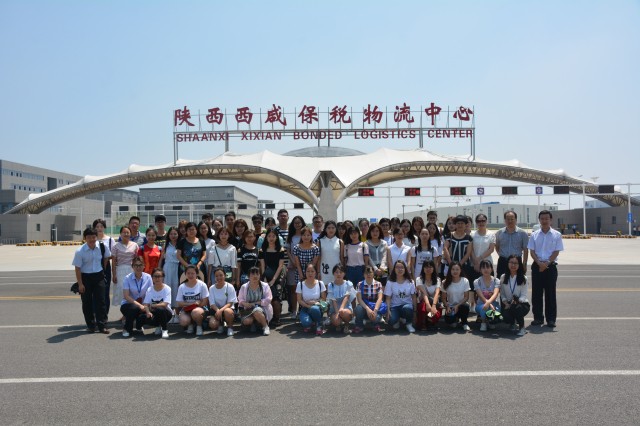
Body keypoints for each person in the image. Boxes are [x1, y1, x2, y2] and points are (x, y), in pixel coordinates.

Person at [528, 210, 564, 328]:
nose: (544, 221)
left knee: (550, 294)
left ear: (551, 220)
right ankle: (538, 318)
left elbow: (556, 251)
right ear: (539, 220)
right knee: (536, 294)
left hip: (550, 267)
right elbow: (532, 251)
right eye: (542, 219)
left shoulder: (556, 235)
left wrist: (547, 263)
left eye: (546, 219)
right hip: (537, 266)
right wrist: (539, 263)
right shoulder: (534, 234)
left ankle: (551, 319)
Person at [72, 228, 111, 334]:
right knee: (87, 302)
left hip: (99, 276)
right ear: (85, 238)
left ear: (96, 237)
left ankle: (102, 325)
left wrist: (103, 268)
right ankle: (91, 325)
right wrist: (80, 284)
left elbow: (106, 257)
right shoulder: (80, 251)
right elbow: (77, 268)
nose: (91, 239)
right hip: (86, 278)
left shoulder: (102, 246)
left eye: (93, 237)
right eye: (89, 237)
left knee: (101, 301)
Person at [119, 256, 153, 337]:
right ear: (132, 267)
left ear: (144, 266)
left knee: (149, 313)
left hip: (144, 305)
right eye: (136, 265)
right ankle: (127, 328)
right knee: (134, 308)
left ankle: (139, 326)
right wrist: (140, 305)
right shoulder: (127, 278)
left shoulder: (148, 277)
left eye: (140, 265)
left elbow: (150, 293)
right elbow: (126, 296)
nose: (138, 267)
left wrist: (145, 306)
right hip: (128, 305)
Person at [259, 228, 285, 327]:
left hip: (278, 274)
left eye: (273, 236)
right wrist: (264, 278)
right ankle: (267, 318)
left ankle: (277, 318)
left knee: (276, 296)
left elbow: (280, 266)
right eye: (269, 236)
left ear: (277, 237)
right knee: (266, 296)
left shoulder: (280, 249)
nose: (271, 238)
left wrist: (274, 279)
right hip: (266, 274)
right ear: (266, 238)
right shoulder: (262, 250)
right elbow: (262, 266)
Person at [292, 226, 320, 315]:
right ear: (301, 236)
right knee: (301, 292)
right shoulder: (296, 247)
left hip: (311, 273)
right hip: (299, 272)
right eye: (304, 235)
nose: (306, 237)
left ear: (311, 236)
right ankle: (301, 311)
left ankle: (312, 310)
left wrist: (310, 274)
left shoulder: (315, 248)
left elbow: (314, 264)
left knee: (310, 292)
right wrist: (301, 274)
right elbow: (297, 263)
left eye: (308, 235)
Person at [238, 266, 273, 336]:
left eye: (257, 274)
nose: (255, 276)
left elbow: (268, 299)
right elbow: (240, 299)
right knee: (247, 321)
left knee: (256, 311)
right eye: (253, 274)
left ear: (260, 275)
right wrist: (244, 304)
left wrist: (255, 303)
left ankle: (265, 327)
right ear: (248, 276)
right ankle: (254, 324)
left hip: (262, 308)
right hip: (248, 309)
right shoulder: (244, 287)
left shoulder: (265, 286)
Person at [500, 255, 530, 336]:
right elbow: (502, 293)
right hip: (508, 303)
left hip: (522, 304)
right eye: (511, 262)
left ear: (519, 265)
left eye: (516, 263)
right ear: (508, 263)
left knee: (517, 308)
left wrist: (517, 301)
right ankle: (512, 323)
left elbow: (524, 295)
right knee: (505, 316)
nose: (513, 265)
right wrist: (505, 302)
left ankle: (522, 328)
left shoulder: (523, 278)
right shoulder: (503, 277)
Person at [494, 210, 529, 279]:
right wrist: (502, 255)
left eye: (512, 219)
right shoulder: (499, 233)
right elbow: (497, 246)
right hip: (503, 261)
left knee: (518, 282)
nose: (510, 221)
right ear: (505, 220)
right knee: (501, 282)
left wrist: (524, 263)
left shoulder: (522, 233)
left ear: (516, 220)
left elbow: (526, 249)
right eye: (508, 219)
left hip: (517, 262)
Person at [176, 265, 209, 336]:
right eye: (188, 273)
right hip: (186, 309)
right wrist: (192, 304)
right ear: (185, 274)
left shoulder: (202, 285)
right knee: (183, 321)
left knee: (196, 312)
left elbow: (205, 302)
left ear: (197, 274)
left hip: (200, 308)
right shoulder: (181, 286)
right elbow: (179, 303)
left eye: (192, 273)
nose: (190, 275)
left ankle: (199, 326)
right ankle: (190, 324)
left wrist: (198, 305)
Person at [384, 260, 416, 333]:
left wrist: (415, 312)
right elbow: (388, 298)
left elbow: (414, 297)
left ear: (405, 269)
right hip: (395, 307)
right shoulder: (390, 282)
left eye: (402, 267)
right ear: (394, 269)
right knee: (391, 321)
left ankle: (408, 324)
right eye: (397, 267)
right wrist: (388, 310)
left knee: (407, 308)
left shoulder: (410, 282)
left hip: (407, 306)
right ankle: (398, 319)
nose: (400, 269)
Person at [111, 226, 138, 310]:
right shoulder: (116, 246)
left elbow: (136, 260)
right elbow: (113, 262)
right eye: (124, 232)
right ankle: (124, 312)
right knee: (122, 292)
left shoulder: (135, 245)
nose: (126, 234)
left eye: (127, 232)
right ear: (120, 234)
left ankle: (130, 313)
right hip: (120, 271)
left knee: (132, 291)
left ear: (130, 234)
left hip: (131, 270)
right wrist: (114, 275)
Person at [296, 264, 327, 335]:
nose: (310, 273)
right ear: (305, 272)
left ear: (315, 272)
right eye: (308, 271)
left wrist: (315, 302)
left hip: (317, 308)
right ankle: (311, 322)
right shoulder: (300, 284)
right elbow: (299, 300)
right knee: (306, 323)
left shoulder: (320, 283)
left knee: (314, 309)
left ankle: (319, 325)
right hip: (305, 308)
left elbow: (324, 298)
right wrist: (308, 306)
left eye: (312, 271)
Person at [353, 265, 385, 333]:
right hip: (364, 307)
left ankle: (375, 324)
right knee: (358, 309)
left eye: (370, 272)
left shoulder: (378, 284)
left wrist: (375, 310)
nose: (368, 274)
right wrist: (368, 309)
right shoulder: (360, 284)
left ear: (373, 273)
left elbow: (380, 298)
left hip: (375, 307)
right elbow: (359, 300)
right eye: (366, 273)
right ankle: (359, 325)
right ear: (363, 274)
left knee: (376, 317)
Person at [143, 268, 173, 339]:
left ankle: (164, 330)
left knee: (160, 309)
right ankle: (158, 326)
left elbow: (165, 304)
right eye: (155, 276)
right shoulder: (149, 289)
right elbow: (146, 304)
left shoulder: (167, 288)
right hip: (154, 312)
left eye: (159, 276)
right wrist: (148, 312)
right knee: (143, 317)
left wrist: (153, 305)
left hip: (166, 313)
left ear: (163, 277)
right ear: (152, 278)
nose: (157, 278)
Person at [93, 218, 114, 317]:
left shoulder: (110, 240)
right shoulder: (92, 239)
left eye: (101, 226)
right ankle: (95, 314)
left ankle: (104, 314)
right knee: (95, 292)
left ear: (104, 227)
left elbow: (113, 254)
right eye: (97, 227)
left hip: (105, 267)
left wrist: (106, 258)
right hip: (94, 267)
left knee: (105, 292)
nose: (99, 228)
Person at [208, 267, 238, 337]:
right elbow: (212, 304)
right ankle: (220, 325)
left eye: (221, 275)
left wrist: (221, 310)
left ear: (225, 275)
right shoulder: (211, 288)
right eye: (216, 276)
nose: (219, 277)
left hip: (227, 309)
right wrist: (217, 310)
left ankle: (230, 327)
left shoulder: (230, 286)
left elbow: (230, 303)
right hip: (216, 310)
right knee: (212, 324)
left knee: (227, 311)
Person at [442, 261, 471, 331]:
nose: (455, 271)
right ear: (450, 270)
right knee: (450, 322)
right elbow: (443, 298)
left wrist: (457, 305)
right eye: (453, 269)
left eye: (457, 269)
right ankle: (455, 319)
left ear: (460, 270)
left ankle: (464, 323)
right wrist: (447, 306)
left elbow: (466, 297)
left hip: (461, 305)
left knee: (466, 306)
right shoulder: (445, 282)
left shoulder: (465, 281)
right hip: (451, 307)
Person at [473, 260, 501, 332]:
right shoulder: (477, 281)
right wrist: (488, 303)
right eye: (483, 268)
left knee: (497, 310)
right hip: (481, 304)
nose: (486, 269)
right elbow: (480, 295)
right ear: (480, 270)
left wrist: (489, 303)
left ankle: (491, 321)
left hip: (494, 304)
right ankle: (483, 322)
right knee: (484, 307)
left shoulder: (496, 280)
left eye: (488, 267)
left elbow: (495, 294)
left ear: (491, 269)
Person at [327, 264, 355, 334]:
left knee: (345, 313)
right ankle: (338, 325)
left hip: (346, 307)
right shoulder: (330, 285)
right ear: (333, 273)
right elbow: (333, 300)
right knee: (336, 321)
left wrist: (341, 309)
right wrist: (337, 313)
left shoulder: (348, 283)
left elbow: (347, 297)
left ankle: (346, 325)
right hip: (334, 308)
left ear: (344, 273)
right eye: (336, 272)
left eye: (341, 272)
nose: (338, 274)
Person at [316, 220, 344, 291]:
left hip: (337, 271)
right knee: (325, 291)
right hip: (324, 271)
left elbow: (341, 258)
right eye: (328, 228)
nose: (331, 230)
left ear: (336, 229)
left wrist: (343, 271)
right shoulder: (320, 241)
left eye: (333, 228)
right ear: (325, 229)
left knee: (337, 290)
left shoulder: (340, 242)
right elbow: (319, 258)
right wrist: (318, 272)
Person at [160, 226, 181, 323]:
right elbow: (161, 258)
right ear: (168, 235)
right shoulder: (166, 245)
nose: (173, 236)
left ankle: (177, 314)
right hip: (167, 268)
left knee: (176, 289)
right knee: (167, 289)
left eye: (175, 234)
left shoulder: (180, 244)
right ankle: (169, 313)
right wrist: (159, 269)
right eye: (171, 234)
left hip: (177, 268)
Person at [415, 260, 442, 331]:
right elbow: (424, 293)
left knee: (437, 310)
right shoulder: (419, 279)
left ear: (433, 268)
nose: (428, 269)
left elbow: (437, 293)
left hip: (434, 302)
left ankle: (429, 320)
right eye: (426, 267)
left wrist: (433, 305)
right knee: (423, 307)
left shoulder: (437, 279)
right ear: (423, 268)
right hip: (423, 301)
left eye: (430, 267)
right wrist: (428, 304)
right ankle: (423, 323)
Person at [471, 214, 495, 285]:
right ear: (476, 222)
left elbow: (491, 249)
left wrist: (479, 259)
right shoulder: (472, 234)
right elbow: (471, 249)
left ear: (486, 221)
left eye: (483, 221)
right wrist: (475, 262)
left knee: (488, 287)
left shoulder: (491, 234)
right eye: (479, 221)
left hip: (487, 265)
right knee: (474, 287)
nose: (481, 223)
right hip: (474, 265)